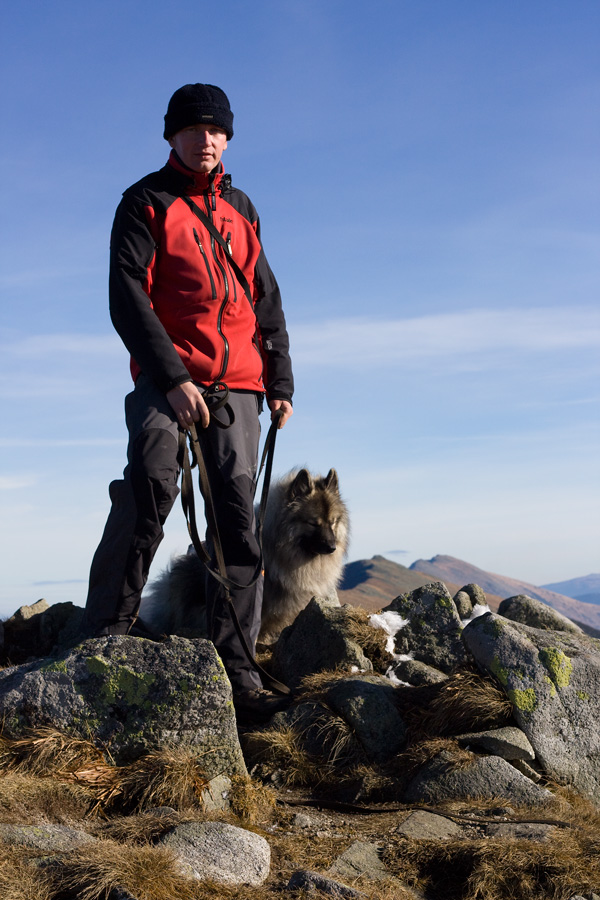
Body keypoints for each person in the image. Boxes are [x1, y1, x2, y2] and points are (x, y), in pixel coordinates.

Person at [82, 83, 294, 719]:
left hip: (242, 388)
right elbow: (129, 298)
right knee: (149, 484)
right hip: (165, 377)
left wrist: (280, 381)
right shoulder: (145, 202)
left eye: (218, 130)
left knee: (237, 519)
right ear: (171, 135)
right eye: (195, 129)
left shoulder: (243, 208)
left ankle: (240, 671)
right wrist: (172, 378)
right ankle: (107, 636)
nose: (208, 139)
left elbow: (266, 300)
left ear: (228, 138)